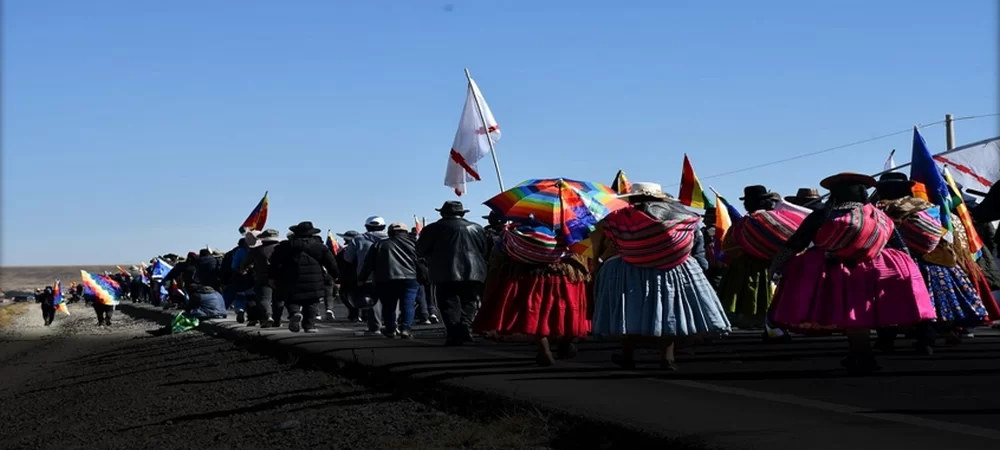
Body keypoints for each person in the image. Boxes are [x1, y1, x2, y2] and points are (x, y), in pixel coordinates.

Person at [769, 172, 937, 373]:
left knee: (850, 314)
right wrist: (909, 270)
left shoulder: (822, 214)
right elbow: (900, 246)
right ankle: (861, 353)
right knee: (861, 315)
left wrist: (777, 265)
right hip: (874, 270)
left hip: (833, 270)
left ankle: (861, 354)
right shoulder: (879, 216)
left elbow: (796, 244)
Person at [591, 182, 731, 370]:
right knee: (668, 311)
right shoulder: (684, 217)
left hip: (630, 269)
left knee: (629, 311)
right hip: (674, 270)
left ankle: (627, 355)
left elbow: (613, 242)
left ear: (632, 199)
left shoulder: (620, 218)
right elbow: (695, 245)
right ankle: (667, 357)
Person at [873, 173, 988, 353]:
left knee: (889, 302)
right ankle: (927, 339)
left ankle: (886, 340)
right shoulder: (927, 206)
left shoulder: (881, 209)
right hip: (935, 261)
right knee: (927, 303)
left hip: (899, 263)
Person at [473, 223, 591, 366]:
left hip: (531, 276)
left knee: (535, 315)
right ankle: (566, 343)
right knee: (566, 312)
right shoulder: (575, 228)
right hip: (565, 276)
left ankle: (544, 350)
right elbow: (586, 253)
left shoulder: (518, 229)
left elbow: (500, 255)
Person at [718, 185, 805, 341]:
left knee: (760, 299)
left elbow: (729, 247)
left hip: (749, 268)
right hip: (781, 265)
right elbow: (792, 237)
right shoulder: (780, 218)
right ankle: (775, 328)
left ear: (747, 204)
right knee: (777, 298)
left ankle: (768, 328)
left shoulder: (743, 224)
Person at [417, 201, 489, 346]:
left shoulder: (432, 229)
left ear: (443, 213)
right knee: (470, 301)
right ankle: (465, 328)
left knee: (448, 303)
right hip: (474, 271)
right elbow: (484, 250)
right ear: (462, 213)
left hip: (445, 271)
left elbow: (421, 250)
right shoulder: (477, 228)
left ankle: (454, 333)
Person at [269, 221, 340, 333]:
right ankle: (309, 326)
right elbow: (331, 263)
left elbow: (274, 262)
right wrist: (336, 276)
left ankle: (295, 313)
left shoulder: (285, 246)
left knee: (291, 299)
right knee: (311, 302)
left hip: (289, 278)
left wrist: (272, 277)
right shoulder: (320, 247)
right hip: (314, 279)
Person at [358, 222, 421, 338]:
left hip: (386, 279)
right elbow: (422, 261)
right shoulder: (414, 244)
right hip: (410, 278)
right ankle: (405, 329)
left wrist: (361, 279)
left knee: (388, 306)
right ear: (405, 232)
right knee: (408, 304)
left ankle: (391, 329)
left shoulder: (379, 244)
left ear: (389, 233)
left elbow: (368, 265)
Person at [344, 217, 389, 334]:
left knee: (372, 302)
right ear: (384, 227)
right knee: (393, 300)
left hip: (367, 275)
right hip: (390, 274)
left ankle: (375, 327)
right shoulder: (390, 238)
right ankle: (392, 326)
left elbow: (347, 258)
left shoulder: (358, 239)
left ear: (366, 227)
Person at [241, 229, 281, 327]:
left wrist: (243, 269)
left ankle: (268, 317)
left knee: (264, 299)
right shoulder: (282, 248)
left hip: (262, 276)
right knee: (279, 299)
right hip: (280, 277)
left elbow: (246, 263)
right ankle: (277, 321)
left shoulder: (256, 250)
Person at [180, 249, 227, 319]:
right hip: (223, 313)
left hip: (202, 281)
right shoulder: (214, 260)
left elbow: (189, 308)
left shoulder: (197, 262)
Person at [336, 230, 362, 322]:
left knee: (345, 294)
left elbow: (339, 262)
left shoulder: (345, 250)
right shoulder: (362, 249)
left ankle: (354, 313)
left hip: (348, 276)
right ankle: (360, 314)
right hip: (359, 275)